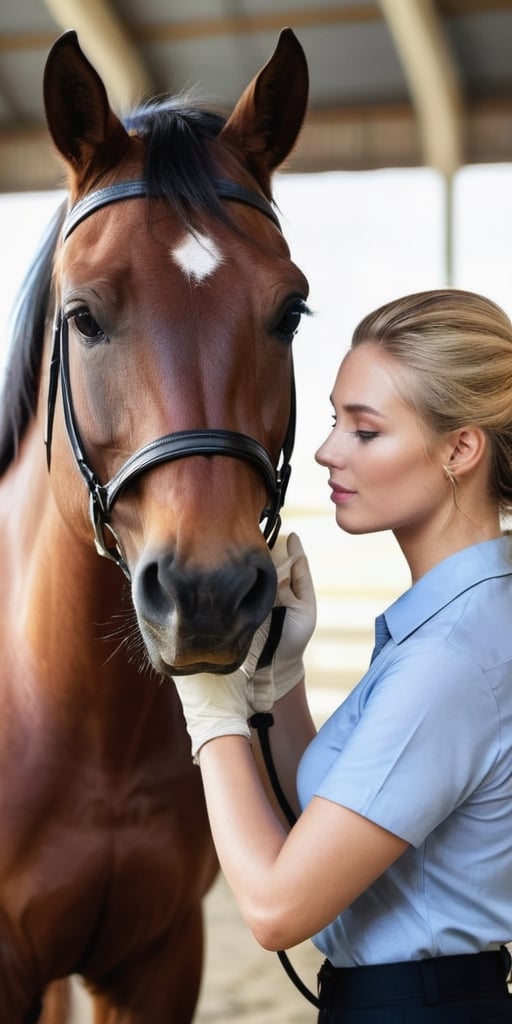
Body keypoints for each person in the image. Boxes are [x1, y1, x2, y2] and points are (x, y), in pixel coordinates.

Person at [174, 288, 512, 1022]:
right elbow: (324, 836)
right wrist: (276, 685)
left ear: (460, 448)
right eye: (333, 420)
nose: (327, 450)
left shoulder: (451, 661)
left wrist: (211, 713)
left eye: (365, 430)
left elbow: (273, 905)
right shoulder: (455, 625)